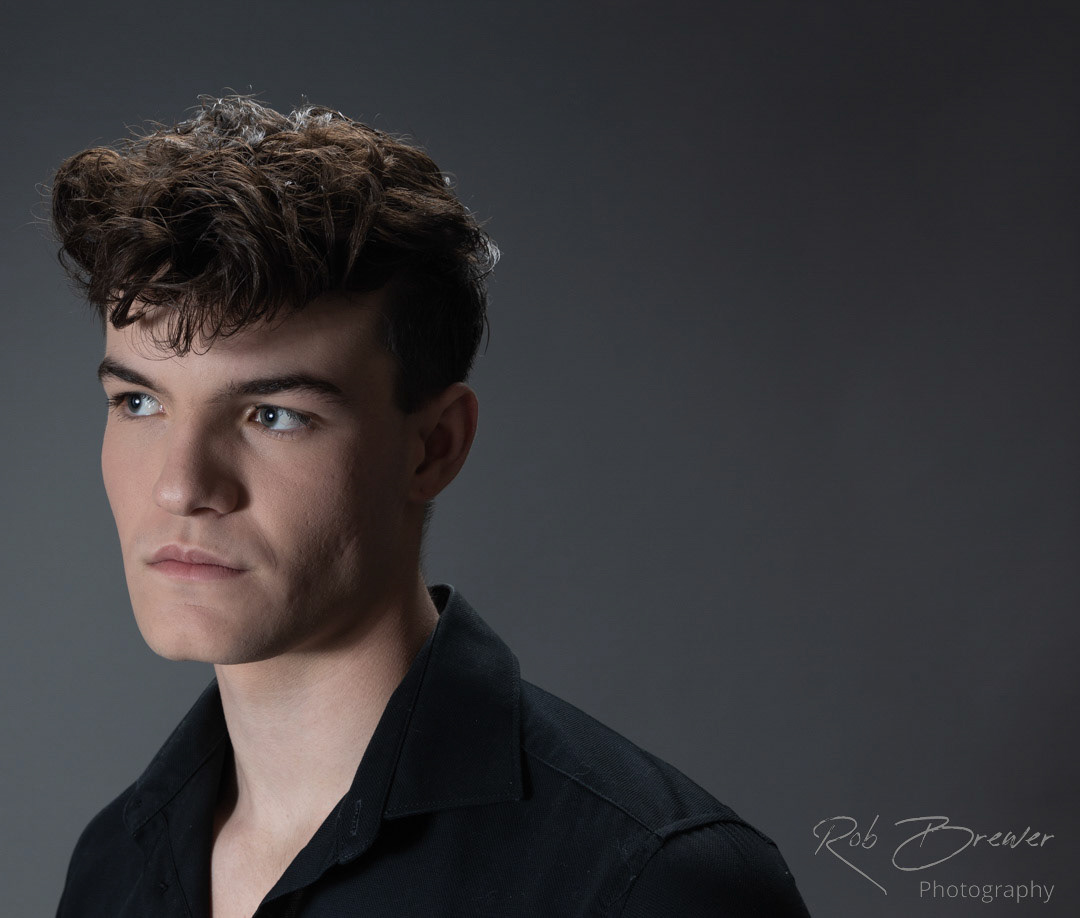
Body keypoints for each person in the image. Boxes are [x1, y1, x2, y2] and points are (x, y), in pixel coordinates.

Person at [50, 94, 811, 917]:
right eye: (138, 403)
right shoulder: (110, 869)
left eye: (274, 415)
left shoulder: (649, 883)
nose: (180, 487)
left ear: (434, 446)